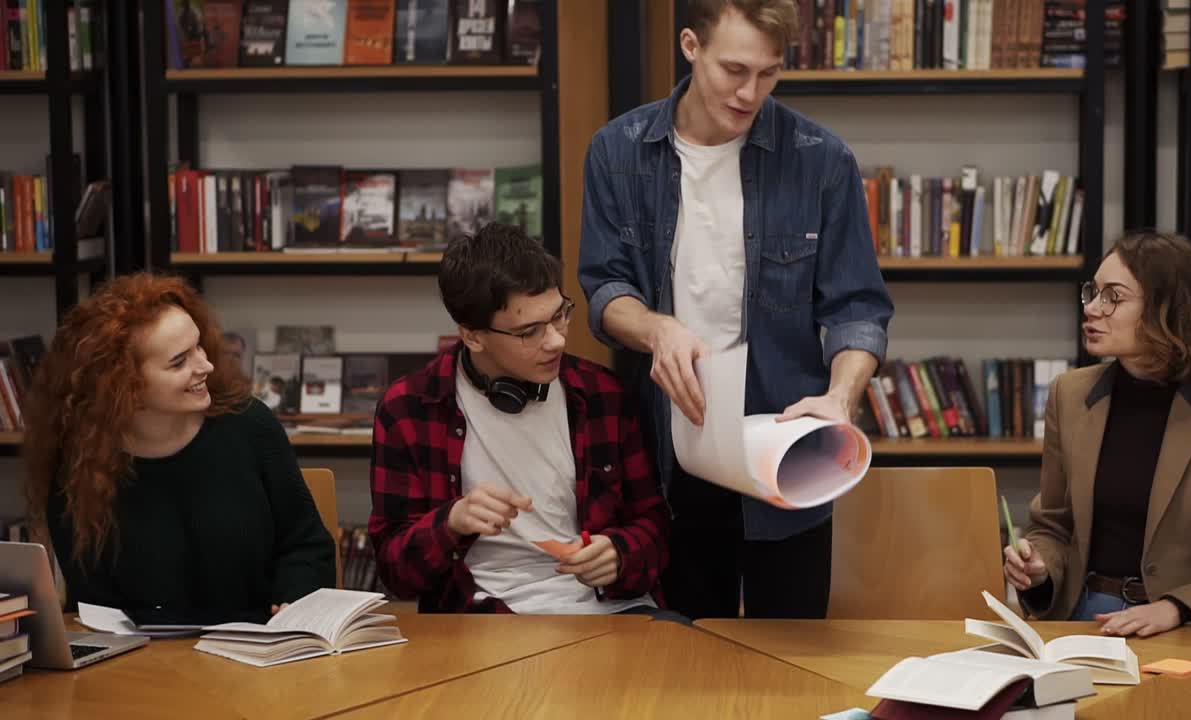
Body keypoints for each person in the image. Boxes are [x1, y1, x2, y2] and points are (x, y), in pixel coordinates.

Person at [577, 0, 893, 619]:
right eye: (734, 70)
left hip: (786, 447)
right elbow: (605, 289)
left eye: (769, 73)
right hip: (668, 450)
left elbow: (857, 307)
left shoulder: (821, 160)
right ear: (690, 46)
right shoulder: (618, 151)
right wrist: (657, 329)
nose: (751, 93)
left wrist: (840, 397)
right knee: (684, 650)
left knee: (792, 651)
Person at [368, 223, 678, 621]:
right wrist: (452, 522)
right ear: (472, 336)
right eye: (529, 332)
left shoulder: (603, 394)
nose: (556, 341)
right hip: (481, 618)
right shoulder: (409, 408)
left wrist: (620, 553)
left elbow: (655, 528)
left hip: (612, 611)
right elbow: (396, 573)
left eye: (560, 315)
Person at [1004, 231, 1191, 637]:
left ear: (1167, 309)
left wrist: (1178, 608)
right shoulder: (1069, 394)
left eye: (1113, 297)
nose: (1092, 308)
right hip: (1081, 620)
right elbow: (1053, 526)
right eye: (1092, 292)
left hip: (1185, 629)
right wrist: (1040, 566)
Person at [23, 273, 335, 624]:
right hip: (144, 652)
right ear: (123, 385)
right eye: (179, 362)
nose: (206, 366)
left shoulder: (250, 425)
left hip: (260, 643)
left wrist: (294, 602)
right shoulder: (80, 462)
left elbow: (307, 545)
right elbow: (93, 604)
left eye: (199, 347)